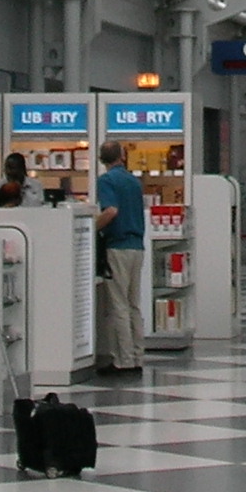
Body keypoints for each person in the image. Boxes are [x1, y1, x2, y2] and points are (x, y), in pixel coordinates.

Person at [94, 139, 146, 373]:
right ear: (122, 156)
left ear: (101, 159)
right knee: (134, 304)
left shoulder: (106, 180)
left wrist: (93, 228)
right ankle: (137, 356)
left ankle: (123, 360)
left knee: (119, 305)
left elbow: (111, 210)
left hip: (118, 246)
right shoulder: (133, 181)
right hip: (137, 246)